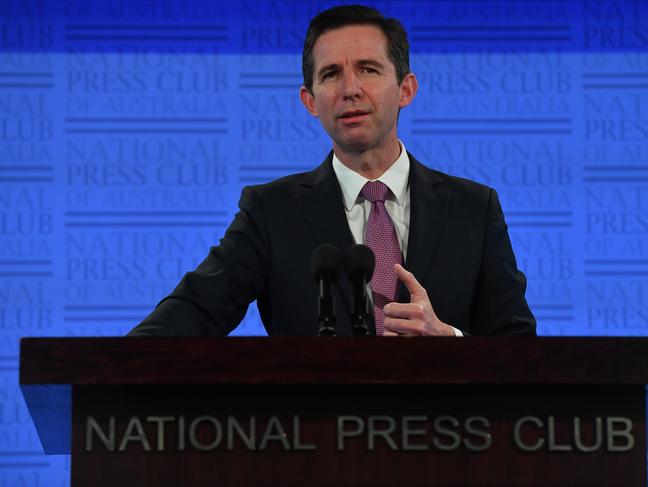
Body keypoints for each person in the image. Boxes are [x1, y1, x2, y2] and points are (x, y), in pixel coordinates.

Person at [129, 5, 536, 337]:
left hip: (446, 430)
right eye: (331, 74)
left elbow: (518, 344)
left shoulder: (473, 208)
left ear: (406, 89)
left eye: (368, 69)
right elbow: (194, 311)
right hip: (317, 432)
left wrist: (450, 342)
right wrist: (106, 371)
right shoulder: (271, 212)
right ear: (310, 100)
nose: (350, 89)